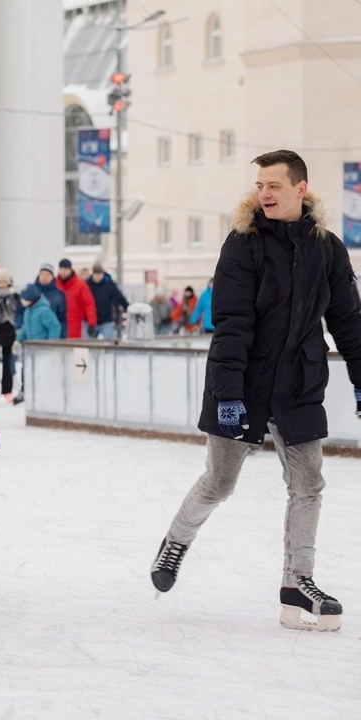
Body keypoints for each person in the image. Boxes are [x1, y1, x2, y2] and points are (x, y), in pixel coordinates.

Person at [150, 150, 361, 632]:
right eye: (261, 185)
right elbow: (232, 324)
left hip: (300, 384)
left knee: (308, 485)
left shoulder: (327, 248)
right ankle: (176, 541)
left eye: (275, 186)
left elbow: (348, 323)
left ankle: (296, 582)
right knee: (220, 481)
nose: (264, 194)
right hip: (243, 383)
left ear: (300, 189)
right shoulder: (242, 245)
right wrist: (227, 395)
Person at [0, 268, 19, 402]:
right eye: (0, 281)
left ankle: (7, 390)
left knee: (8, 362)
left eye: (5, 281)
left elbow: (17, 313)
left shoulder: (14, 296)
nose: (2, 284)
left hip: (9, 332)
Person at [21, 263, 67, 339]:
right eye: (42, 274)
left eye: (47, 275)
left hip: (51, 336)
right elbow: (22, 311)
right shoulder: (31, 292)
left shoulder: (59, 294)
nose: (44, 277)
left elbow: (62, 318)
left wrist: (62, 337)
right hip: (33, 336)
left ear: (52, 277)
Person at [86, 263, 130, 340]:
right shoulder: (87, 285)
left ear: (103, 274)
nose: (97, 277)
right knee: (89, 343)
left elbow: (119, 298)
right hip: (91, 321)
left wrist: (128, 309)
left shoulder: (109, 285)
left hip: (106, 319)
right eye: (95, 274)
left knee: (109, 342)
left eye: (99, 274)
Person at [56, 259, 97, 339]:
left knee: (73, 347)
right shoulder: (55, 284)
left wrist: (91, 322)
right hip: (57, 324)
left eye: (65, 269)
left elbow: (88, 304)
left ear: (70, 270)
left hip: (75, 324)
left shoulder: (80, 286)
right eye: (61, 269)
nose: (63, 272)